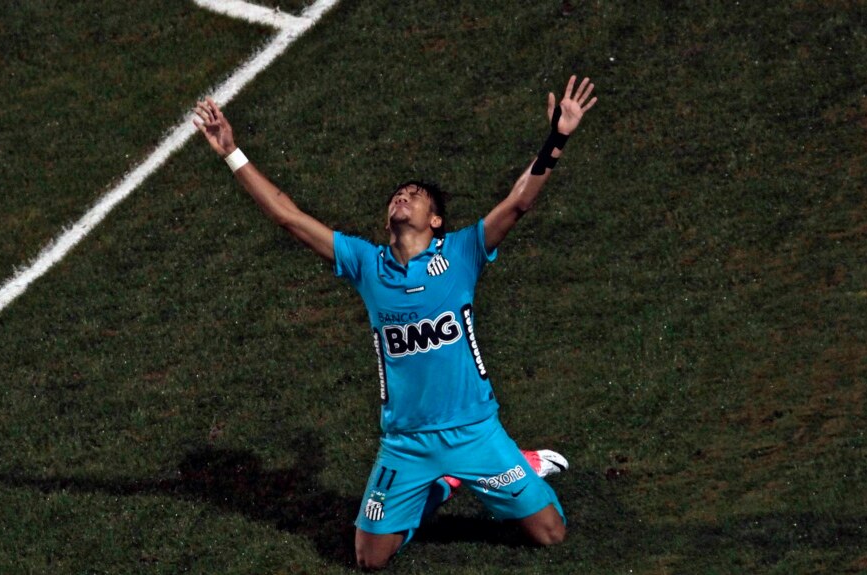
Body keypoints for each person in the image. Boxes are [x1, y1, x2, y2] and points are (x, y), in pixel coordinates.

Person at [193, 75, 597, 570]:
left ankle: (517, 462)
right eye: (398, 194)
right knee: (370, 559)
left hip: (474, 431)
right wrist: (232, 152)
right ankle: (446, 483)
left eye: (415, 194)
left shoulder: (464, 252)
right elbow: (289, 217)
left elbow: (518, 201)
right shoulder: (367, 264)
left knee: (551, 535)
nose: (402, 197)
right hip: (405, 442)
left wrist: (556, 139)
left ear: (435, 222)